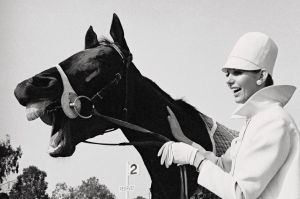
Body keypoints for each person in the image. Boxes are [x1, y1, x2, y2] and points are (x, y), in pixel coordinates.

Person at [158, 32, 300, 199]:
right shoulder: (256, 121)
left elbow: (240, 194)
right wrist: (186, 142)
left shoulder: (274, 122)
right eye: (227, 73)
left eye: (237, 72)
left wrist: (194, 158)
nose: (228, 80)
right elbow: (221, 166)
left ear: (261, 76)